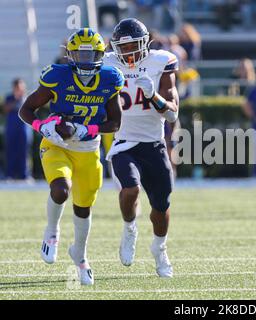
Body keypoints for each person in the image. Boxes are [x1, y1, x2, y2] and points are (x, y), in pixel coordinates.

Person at [19, 28, 124, 285]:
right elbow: (27, 109)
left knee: (83, 207)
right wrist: (41, 126)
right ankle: (52, 231)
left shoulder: (110, 79)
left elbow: (115, 123)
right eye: (80, 54)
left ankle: (80, 253)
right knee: (61, 189)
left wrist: (86, 129)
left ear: (101, 54)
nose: (86, 60)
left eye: (91, 54)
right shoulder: (58, 76)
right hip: (58, 145)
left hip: (88, 149)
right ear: (70, 55)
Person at [104, 18, 179, 277]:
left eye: (133, 46)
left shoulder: (161, 62)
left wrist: (153, 96)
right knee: (130, 188)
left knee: (161, 205)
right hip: (124, 142)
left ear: (145, 43)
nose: (128, 53)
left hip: (154, 144)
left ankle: (160, 249)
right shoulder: (107, 64)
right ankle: (129, 228)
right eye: (122, 48)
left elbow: (171, 115)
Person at [3, 79, 32, 180]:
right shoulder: (9, 97)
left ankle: (25, 175)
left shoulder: (27, 97)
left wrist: (22, 99)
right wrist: (16, 99)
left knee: (24, 151)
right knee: (10, 151)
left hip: (24, 128)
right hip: (11, 128)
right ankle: (9, 174)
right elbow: (5, 109)